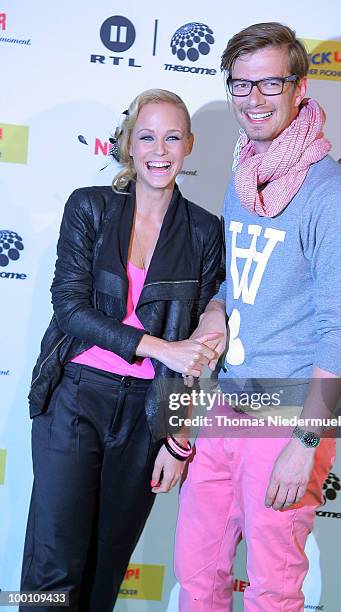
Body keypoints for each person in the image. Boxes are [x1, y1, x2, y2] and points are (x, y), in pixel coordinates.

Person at [175, 23, 341, 611]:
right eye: (241, 86)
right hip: (224, 406)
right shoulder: (245, 175)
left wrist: (305, 440)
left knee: (272, 588)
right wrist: (215, 310)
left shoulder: (331, 195)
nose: (254, 100)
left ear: (299, 86)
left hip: (287, 418)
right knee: (197, 572)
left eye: (269, 84)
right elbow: (240, 282)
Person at [21, 88, 222, 612]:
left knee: (107, 568)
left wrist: (178, 439)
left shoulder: (204, 231)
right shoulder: (89, 207)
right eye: (148, 136)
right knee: (52, 565)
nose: (160, 150)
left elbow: (196, 357)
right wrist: (160, 347)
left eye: (172, 137)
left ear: (189, 145)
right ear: (129, 144)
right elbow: (70, 310)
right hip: (75, 401)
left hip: (145, 414)